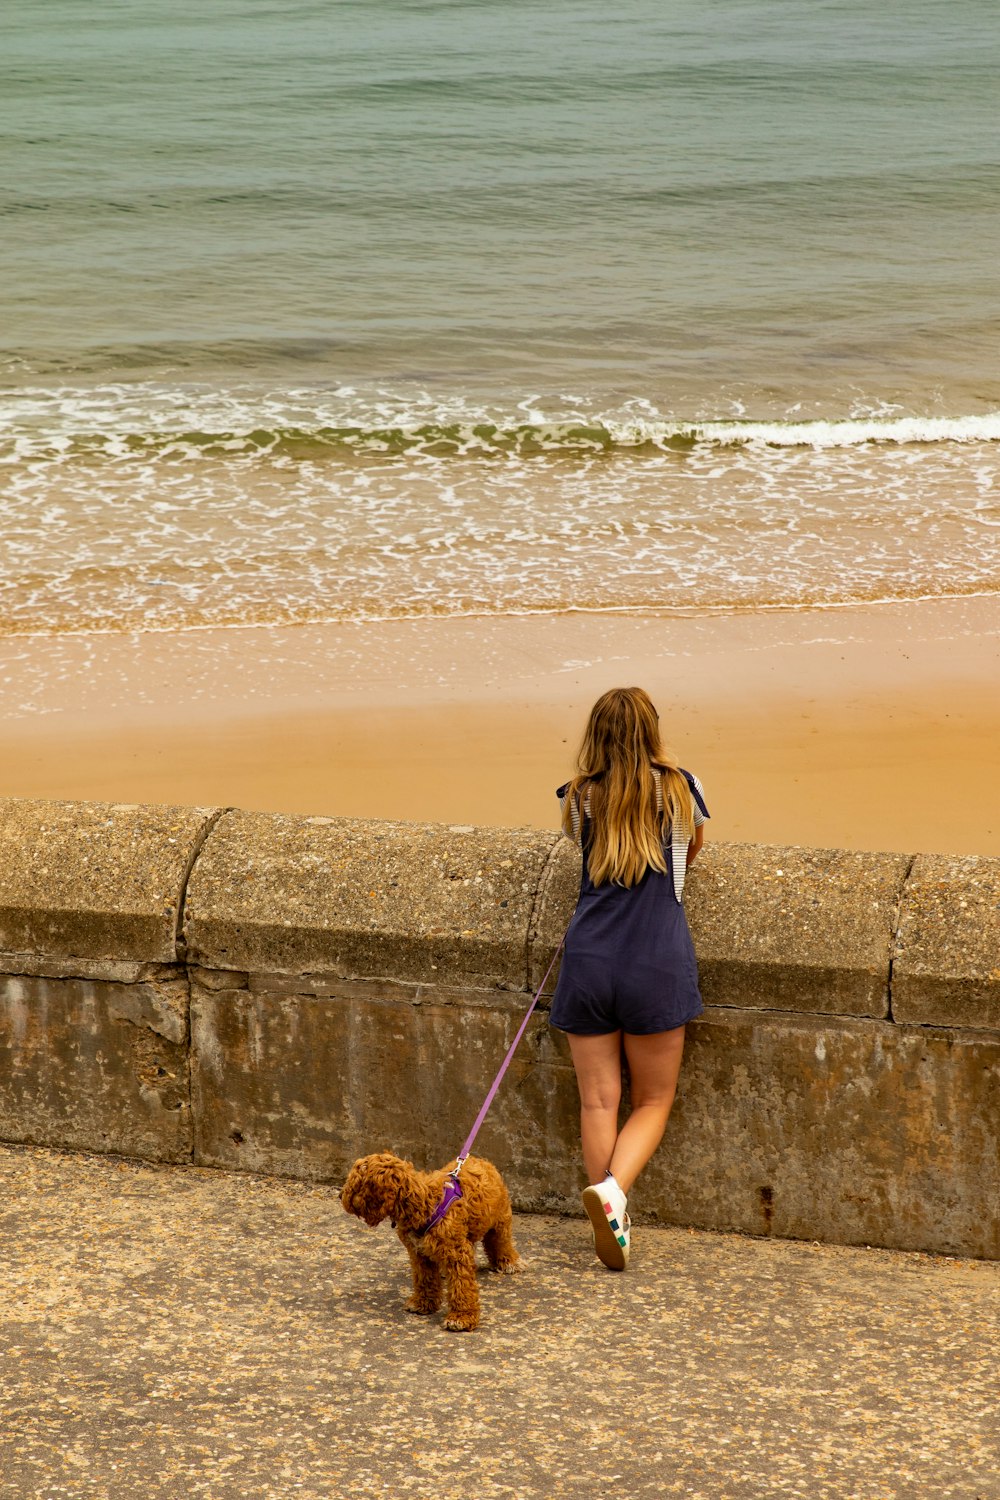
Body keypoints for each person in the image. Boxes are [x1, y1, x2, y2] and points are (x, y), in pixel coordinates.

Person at [549, 686, 708, 1271]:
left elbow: (583, 852)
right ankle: (613, 1196)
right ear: (653, 729)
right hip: (656, 960)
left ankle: (609, 1209)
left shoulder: (578, 797)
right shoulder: (681, 788)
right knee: (654, 1097)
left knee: (598, 1100)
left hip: (589, 958)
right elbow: (691, 852)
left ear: (596, 733)